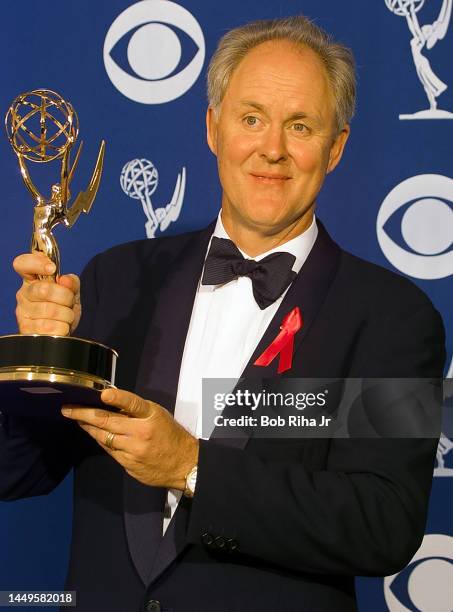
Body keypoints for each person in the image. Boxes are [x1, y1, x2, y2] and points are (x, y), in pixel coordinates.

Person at [1, 15, 445, 612]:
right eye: (251, 118)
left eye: (301, 125)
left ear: (335, 147)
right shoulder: (118, 279)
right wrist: (37, 359)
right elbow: (15, 474)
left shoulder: (393, 318)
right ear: (214, 128)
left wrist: (192, 467)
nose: (272, 149)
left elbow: (383, 525)